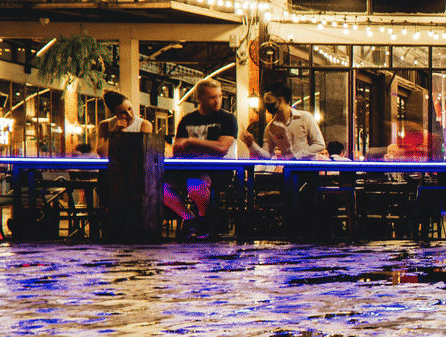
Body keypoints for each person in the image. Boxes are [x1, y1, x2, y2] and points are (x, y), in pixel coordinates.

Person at [163, 79, 237, 239]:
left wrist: (191, 142)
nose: (217, 101)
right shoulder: (187, 120)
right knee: (161, 186)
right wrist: (207, 147)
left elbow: (222, 148)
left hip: (219, 169)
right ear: (200, 98)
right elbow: (177, 149)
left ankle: (203, 218)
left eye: (219, 96)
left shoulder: (227, 119)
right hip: (190, 167)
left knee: (196, 183)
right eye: (212, 97)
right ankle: (190, 218)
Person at [245, 81, 326, 160]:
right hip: (288, 170)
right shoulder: (270, 128)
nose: (266, 104)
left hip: (309, 169)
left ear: (280, 100)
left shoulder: (305, 117)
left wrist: (296, 157)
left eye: (268, 100)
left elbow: (320, 144)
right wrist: (252, 145)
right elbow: (267, 155)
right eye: (265, 101)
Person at [95, 90, 152, 157]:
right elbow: (102, 153)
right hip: (113, 166)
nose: (129, 114)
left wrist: (125, 134)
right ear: (114, 113)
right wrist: (114, 132)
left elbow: (143, 152)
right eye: (123, 113)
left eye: (130, 109)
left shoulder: (144, 124)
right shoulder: (105, 125)